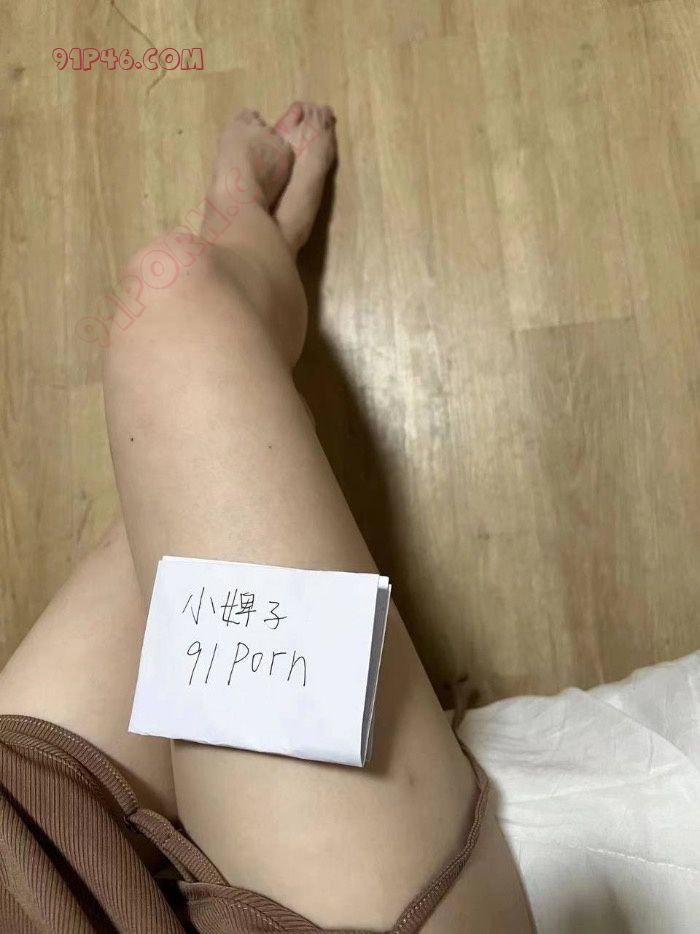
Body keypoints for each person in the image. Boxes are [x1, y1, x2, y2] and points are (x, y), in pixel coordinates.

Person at [0, 103, 531, 932]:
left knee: (195, 476)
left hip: (23, 852)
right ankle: (245, 241)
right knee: (175, 299)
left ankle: (253, 275)